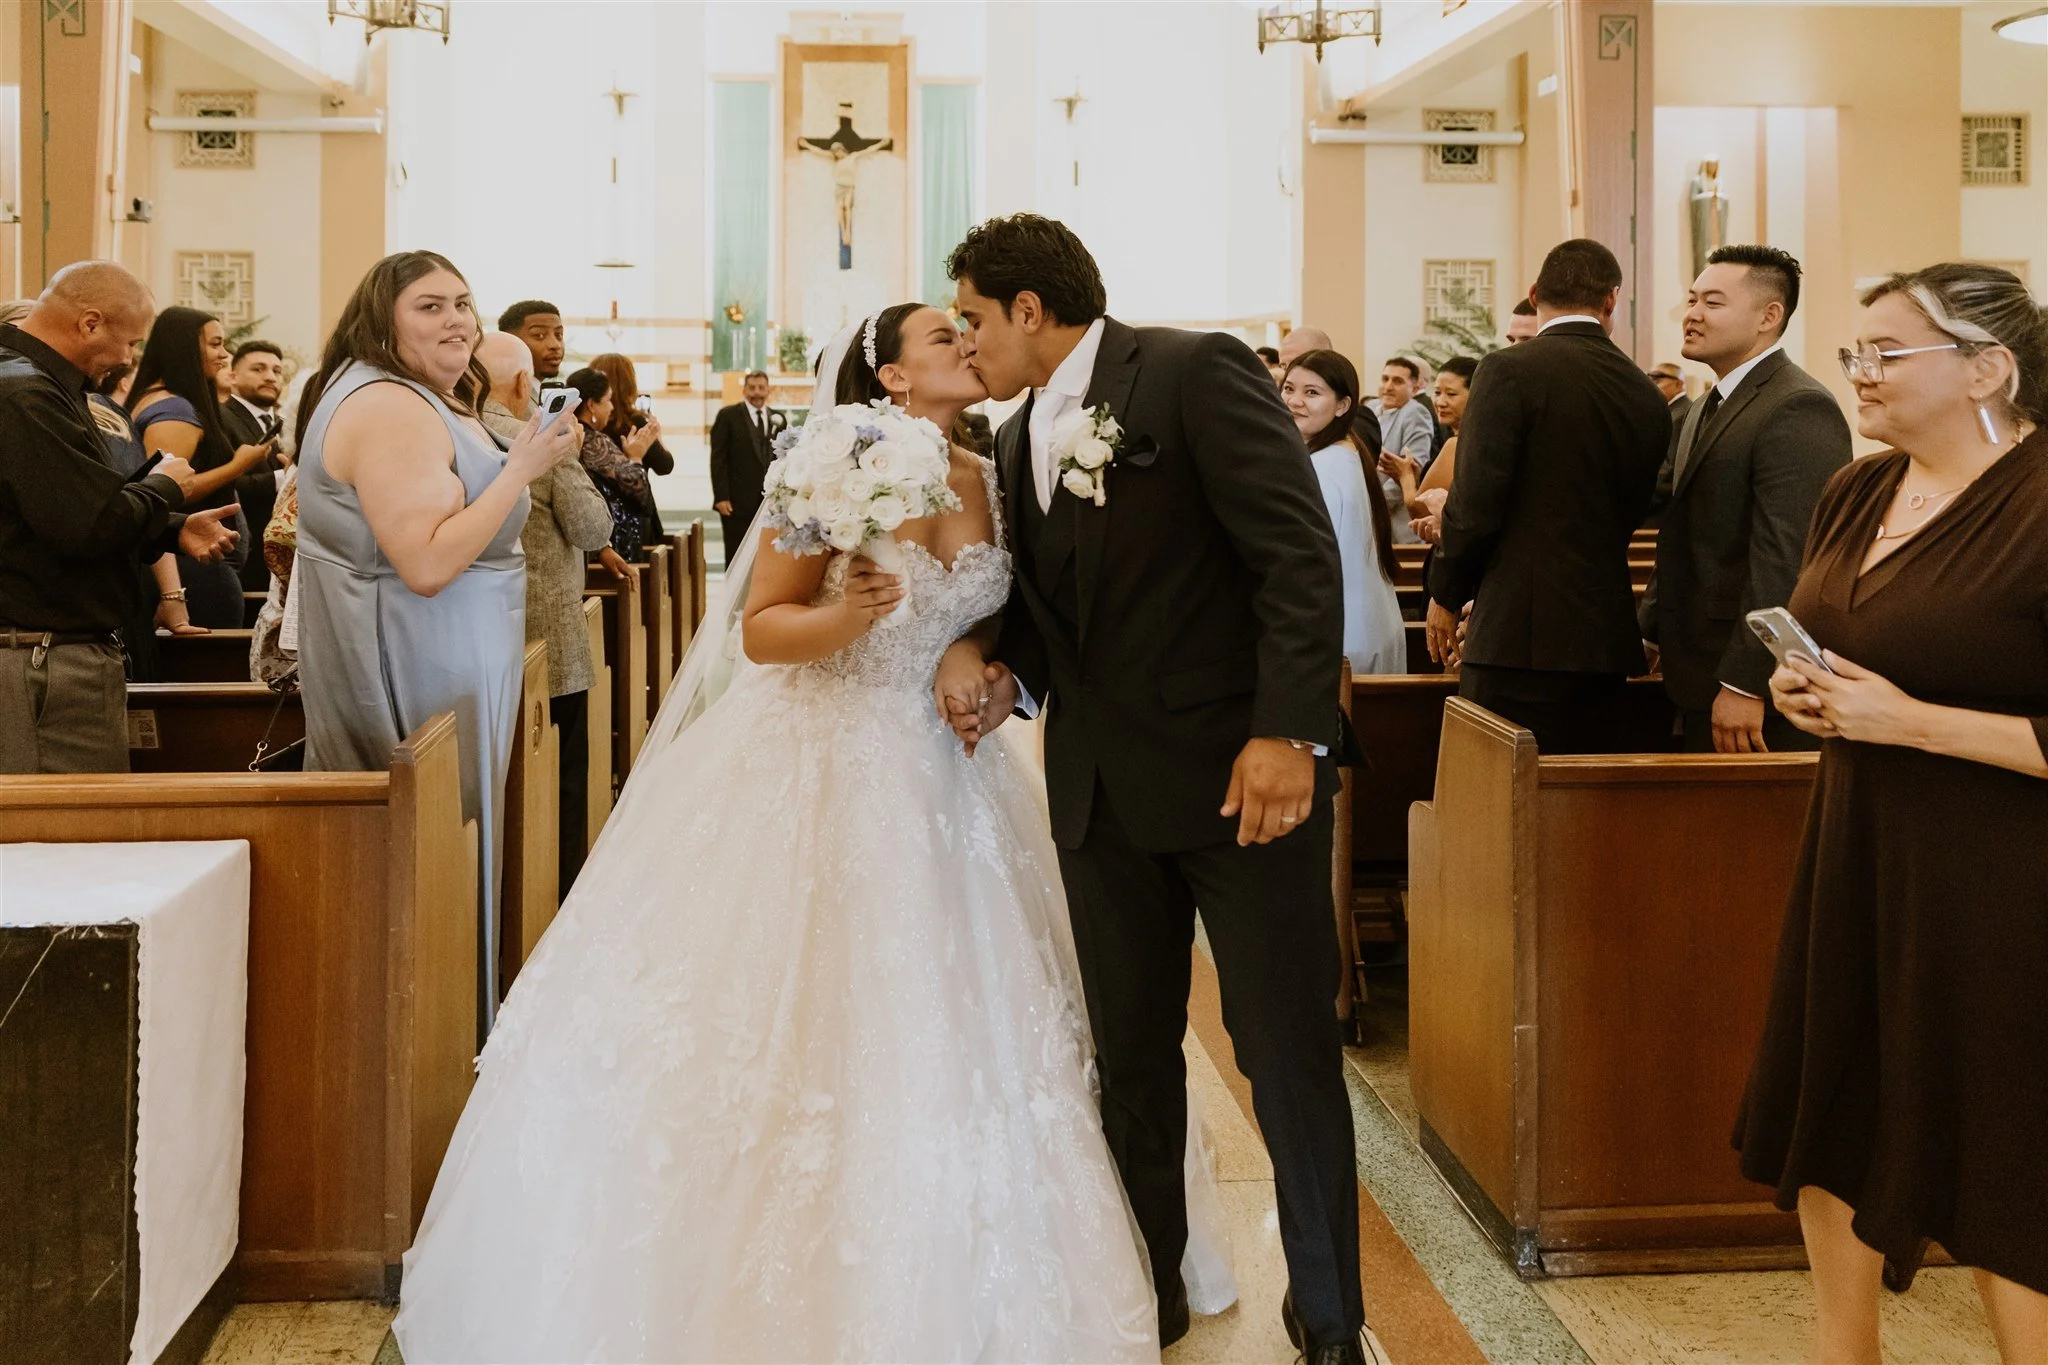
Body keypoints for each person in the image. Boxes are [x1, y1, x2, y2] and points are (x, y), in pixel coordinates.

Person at [393, 300, 1231, 1363]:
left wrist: (974, 649)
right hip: (819, 762)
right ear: (886, 377)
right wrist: (847, 619)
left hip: (949, 770)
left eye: (962, 331)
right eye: (940, 338)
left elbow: (995, 607)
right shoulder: (834, 459)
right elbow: (760, 629)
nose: (963, 347)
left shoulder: (998, 469)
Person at [947, 214, 1380, 1365]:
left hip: (1246, 787)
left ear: (1030, 311)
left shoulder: (1191, 370)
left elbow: (1292, 554)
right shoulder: (1009, 437)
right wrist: (1006, 680)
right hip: (1096, 794)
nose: (967, 341)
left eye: (974, 318)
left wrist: (1288, 731)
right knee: (1129, 1061)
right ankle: (1152, 1291)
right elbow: (1068, 614)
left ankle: (1331, 1317)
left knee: (1281, 1053)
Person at [1739, 262, 2048, 1365]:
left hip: (2001, 875)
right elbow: (1849, 644)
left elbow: (1922, 703)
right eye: (1852, 353)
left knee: (2006, 1133)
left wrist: (1909, 721)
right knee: (1841, 1095)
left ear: (1986, 369)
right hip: (1859, 842)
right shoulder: (1856, 490)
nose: (1858, 374)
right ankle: (1844, 1350)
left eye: (1885, 352)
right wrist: (1805, 692)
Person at [291, 250, 581, 1039]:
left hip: (450, 657)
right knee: (431, 869)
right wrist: (520, 468)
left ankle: (457, 1044)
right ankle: (438, 1050)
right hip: (416, 662)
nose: (455, 318)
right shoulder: (388, 406)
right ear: (380, 319)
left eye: (462, 302)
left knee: (457, 863)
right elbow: (424, 563)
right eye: (428, 306)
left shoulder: (420, 396)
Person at [1425, 238, 1670, 754]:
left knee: (1496, 801)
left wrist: (1446, 592)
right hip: (1603, 635)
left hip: (1515, 634)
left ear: (1535, 294)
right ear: (1611, 302)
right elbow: (1637, 505)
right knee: (1579, 807)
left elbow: (1475, 504)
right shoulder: (1645, 392)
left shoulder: (1509, 369)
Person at [0, 261, 239, 772]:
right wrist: (166, 485)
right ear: (90, 323)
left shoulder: (39, 385)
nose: (129, 359)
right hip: (40, 659)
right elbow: (85, 526)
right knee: (66, 838)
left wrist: (172, 527)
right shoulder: (25, 392)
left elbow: (63, 505)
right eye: (129, 342)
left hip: (49, 653)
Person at [1640, 244, 1851, 754]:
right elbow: (1683, 527)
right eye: (1691, 300)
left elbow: (1788, 557)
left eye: (1712, 303)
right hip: (1693, 665)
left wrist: (1745, 681)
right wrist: (1651, 627)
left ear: (1768, 316)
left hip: (1746, 684)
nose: (1691, 315)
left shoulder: (1798, 406)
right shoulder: (1704, 405)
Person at [478, 331, 619, 898]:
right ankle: (556, 898)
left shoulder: (453, 430)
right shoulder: (538, 438)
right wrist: (573, 453)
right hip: (546, 639)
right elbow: (593, 529)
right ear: (521, 382)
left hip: (473, 644)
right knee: (559, 782)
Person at [126, 307, 274, 627]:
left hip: (198, 562)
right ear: (184, 347)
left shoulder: (173, 400)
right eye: (215, 344)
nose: (225, 354)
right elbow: (161, 493)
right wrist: (238, 466)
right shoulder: (173, 410)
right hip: (192, 567)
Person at [1282, 350, 1404, 674]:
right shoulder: (1345, 451)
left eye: (1312, 393)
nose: (1294, 401)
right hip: (1364, 628)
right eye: (1288, 388)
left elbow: (1302, 565)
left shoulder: (1321, 467)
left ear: (1342, 405)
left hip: (1340, 642)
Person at [566, 365, 661, 563]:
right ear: (592, 405)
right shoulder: (594, 441)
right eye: (608, 400)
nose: (611, 407)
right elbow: (642, 496)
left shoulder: (566, 435)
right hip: (611, 549)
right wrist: (635, 457)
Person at [218, 339, 289, 591]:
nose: (270, 377)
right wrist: (284, 478)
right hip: (243, 554)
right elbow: (224, 483)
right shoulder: (221, 417)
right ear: (233, 376)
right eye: (258, 369)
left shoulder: (281, 421)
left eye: (276, 371)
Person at [1385, 354, 1476, 543]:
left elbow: (1420, 511)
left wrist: (1406, 476)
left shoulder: (1459, 444)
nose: (1440, 402)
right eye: (1437, 392)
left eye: (1451, 394)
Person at [588, 351, 674, 539]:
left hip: (597, 515)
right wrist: (658, 436)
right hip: (635, 516)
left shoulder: (586, 425)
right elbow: (665, 466)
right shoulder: (636, 422)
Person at [709, 368, 783, 566]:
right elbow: (718, 458)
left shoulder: (778, 418)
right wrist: (721, 496)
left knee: (766, 556)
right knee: (736, 556)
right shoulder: (728, 416)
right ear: (744, 390)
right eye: (752, 388)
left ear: (768, 390)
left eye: (761, 388)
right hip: (736, 502)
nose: (757, 392)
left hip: (768, 504)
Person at [1366, 357, 1434, 544]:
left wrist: (1372, 503)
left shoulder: (1415, 413)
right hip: (1369, 518)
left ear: (1414, 387)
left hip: (1396, 522)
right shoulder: (1370, 408)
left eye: (1397, 381)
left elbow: (1411, 467)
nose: (1388, 386)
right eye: (1385, 379)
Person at [498, 299, 566, 383]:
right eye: (539, 335)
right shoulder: (501, 393)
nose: (555, 345)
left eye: (559, 334)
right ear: (511, 341)